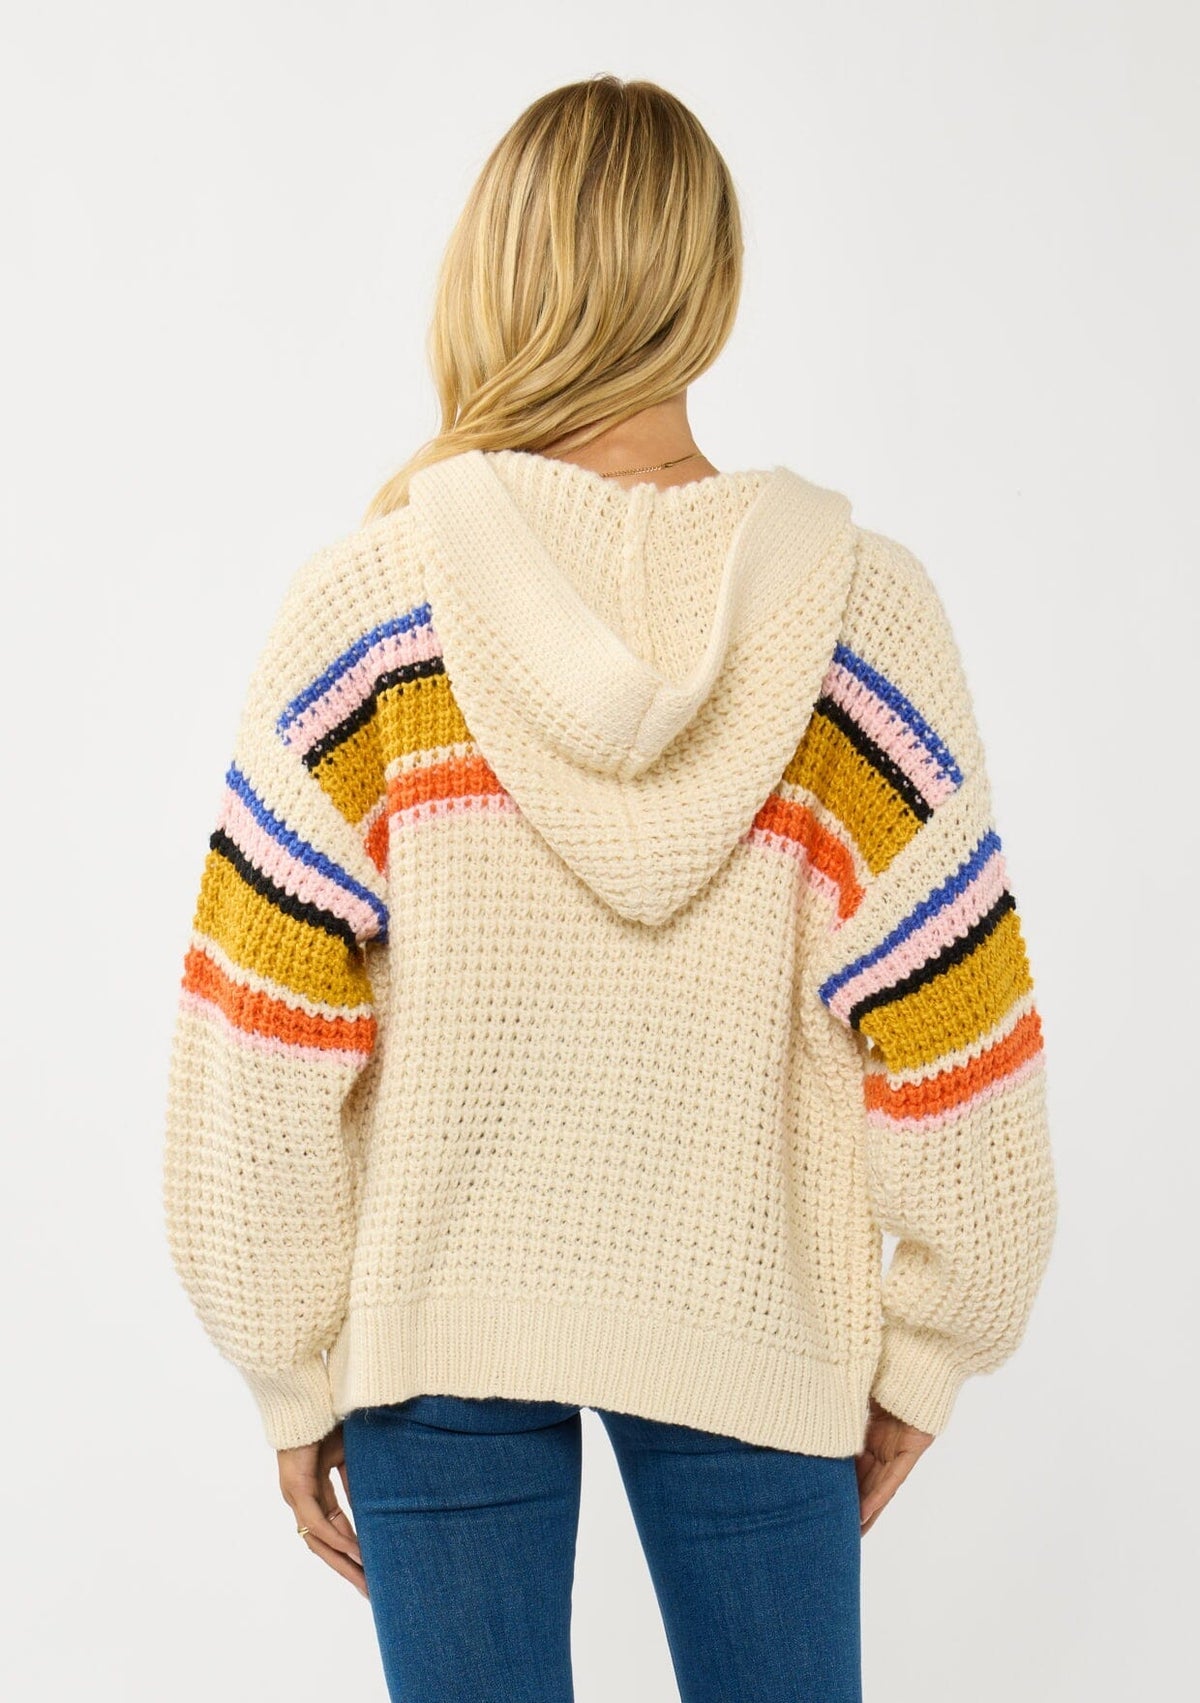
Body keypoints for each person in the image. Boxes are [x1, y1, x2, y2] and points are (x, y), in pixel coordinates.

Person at [162, 73, 1058, 1703]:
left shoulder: (369, 613)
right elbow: (958, 1034)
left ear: (492, 271)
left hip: (436, 1326)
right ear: (711, 283)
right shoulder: (863, 622)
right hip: (755, 1311)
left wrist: (285, 1361)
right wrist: (935, 1341)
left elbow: (259, 1041)